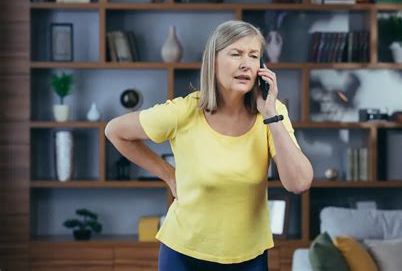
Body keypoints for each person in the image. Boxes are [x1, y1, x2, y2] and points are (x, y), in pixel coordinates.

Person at [105, 20, 313, 270]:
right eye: (236, 54)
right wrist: (169, 175)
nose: (246, 64)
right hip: (184, 254)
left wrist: (269, 113)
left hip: (249, 256)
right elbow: (115, 131)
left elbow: (299, 183)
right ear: (212, 62)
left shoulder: (273, 114)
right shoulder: (184, 111)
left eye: (254, 56)